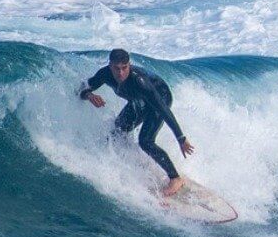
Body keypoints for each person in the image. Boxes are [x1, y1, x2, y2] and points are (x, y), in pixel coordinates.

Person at [79, 48, 195, 196]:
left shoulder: (140, 82)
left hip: (161, 97)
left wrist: (181, 138)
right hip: (138, 101)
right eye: (116, 68)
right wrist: (89, 95)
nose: (120, 73)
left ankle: (175, 178)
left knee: (146, 141)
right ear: (110, 66)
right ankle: (136, 160)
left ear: (129, 65)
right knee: (117, 132)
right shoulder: (104, 74)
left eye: (124, 68)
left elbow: (163, 110)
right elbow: (82, 88)